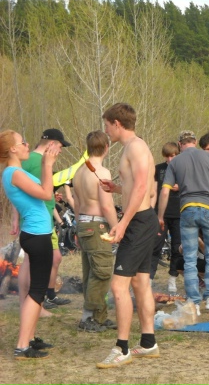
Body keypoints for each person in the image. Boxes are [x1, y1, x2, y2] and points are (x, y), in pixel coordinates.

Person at [96, 103, 160, 368]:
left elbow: (144, 188)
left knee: (118, 286)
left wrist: (122, 223)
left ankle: (121, 348)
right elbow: (136, 188)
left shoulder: (136, 147)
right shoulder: (133, 147)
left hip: (138, 222)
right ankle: (148, 343)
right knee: (140, 282)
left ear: (117, 123)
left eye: (107, 125)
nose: (106, 131)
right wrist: (116, 188)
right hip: (142, 220)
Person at [1, 129, 59, 359]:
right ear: (13, 149)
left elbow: (35, 193)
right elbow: (46, 194)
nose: (27, 145)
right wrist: (48, 165)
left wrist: (45, 165)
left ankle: (30, 338)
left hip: (36, 233)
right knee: (37, 291)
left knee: (37, 290)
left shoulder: (15, 172)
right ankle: (22, 345)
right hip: (37, 236)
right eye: (22, 142)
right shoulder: (14, 173)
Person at [11, 129, 72, 317]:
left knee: (33, 261)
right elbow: (42, 193)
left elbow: (20, 191)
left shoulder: (26, 160)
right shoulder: (39, 162)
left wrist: (15, 217)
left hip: (34, 219)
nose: (60, 151)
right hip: (39, 222)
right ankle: (34, 306)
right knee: (33, 264)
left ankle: (29, 303)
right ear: (51, 144)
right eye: (60, 146)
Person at [158, 130, 209, 314]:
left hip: (187, 209)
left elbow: (165, 191)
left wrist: (160, 216)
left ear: (180, 144)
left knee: (190, 258)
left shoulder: (175, 162)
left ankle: (194, 301)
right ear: (195, 141)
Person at [72, 131, 118, 332]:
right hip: (97, 225)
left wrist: (77, 227)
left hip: (83, 223)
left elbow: (76, 204)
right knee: (102, 271)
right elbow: (106, 206)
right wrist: (116, 227)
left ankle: (99, 316)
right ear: (106, 147)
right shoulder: (101, 173)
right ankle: (88, 318)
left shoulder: (79, 172)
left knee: (91, 271)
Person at [150, 142, 182, 294]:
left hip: (179, 214)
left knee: (177, 248)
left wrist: (180, 186)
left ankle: (172, 278)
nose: (170, 159)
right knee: (155, 246)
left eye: (173, 156)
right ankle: (149, 278)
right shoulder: (158, 169)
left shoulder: (183, 167)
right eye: (167, 156)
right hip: (160, 214)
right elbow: (153, 190)